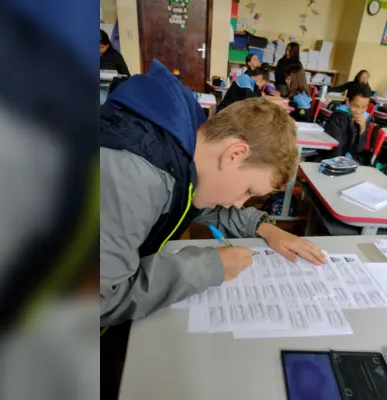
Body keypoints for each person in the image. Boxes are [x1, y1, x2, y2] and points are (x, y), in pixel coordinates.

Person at [100, 59, 327, 327]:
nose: (239, 203)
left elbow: (195, 204)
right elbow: (101, 301)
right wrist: (208, 267)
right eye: (248, 190)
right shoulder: (134, 175)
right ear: (235, 154)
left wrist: (265, 228)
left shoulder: (188, 144)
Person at [323, 84, 372, 159]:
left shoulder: (365, 119)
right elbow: (335, 148)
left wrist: (362, 130)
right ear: (348, 102)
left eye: (364, 107)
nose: (359, 111)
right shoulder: (338, 117)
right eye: (356, 106)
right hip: (334, 158)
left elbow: (359, 149)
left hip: (351, 159)